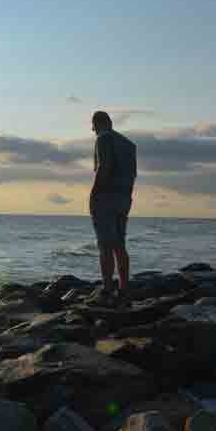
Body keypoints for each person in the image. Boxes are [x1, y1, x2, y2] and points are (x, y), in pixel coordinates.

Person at [87, 111, 137, 306]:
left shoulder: (103, 138)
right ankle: (124, 288)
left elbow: (104, 167)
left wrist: (94, 193)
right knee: (119, 245)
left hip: (106, 197)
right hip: (124, 198)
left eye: (94, 126)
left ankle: (107, 289)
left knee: (105, 245)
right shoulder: (128, 144)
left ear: (99, 123)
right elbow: (133, 174)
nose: (93, 131)